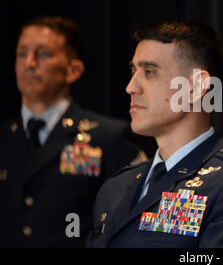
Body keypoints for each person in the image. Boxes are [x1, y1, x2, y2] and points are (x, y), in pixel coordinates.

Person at [85, 20, 223, 248]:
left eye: (149, 72)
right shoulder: (115, 188)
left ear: (195, 87)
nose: (131, 87)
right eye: (133, 71)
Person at [0, 16, 148, 247]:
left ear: (73, 70)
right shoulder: (4, 137)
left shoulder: (108, 138)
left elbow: (134, 218)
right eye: (22, 53)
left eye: (43, 54)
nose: (29, 63)